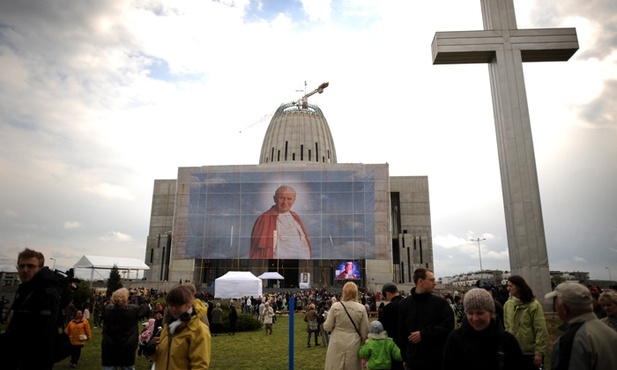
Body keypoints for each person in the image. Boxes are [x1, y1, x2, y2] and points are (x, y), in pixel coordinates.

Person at [2, 248, 64, 370]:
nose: (25, 270)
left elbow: (43, 337)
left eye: (31, 266)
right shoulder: (26, 290)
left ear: (40, 268)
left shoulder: (47, 293)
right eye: (21, 266)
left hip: (33, 362)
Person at [442, 288, 524, 370]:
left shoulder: (507, 341)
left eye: (480, 313)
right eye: (470, 313)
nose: (475, 318)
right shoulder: (455, 339)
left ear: (491, 313)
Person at [545, 282, 617, 370]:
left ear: (564, 308)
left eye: (556, 303)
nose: (555, 307)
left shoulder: (572, 340)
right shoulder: (610, 331)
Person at [398, 268, 454, 370]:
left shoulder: (440, 303)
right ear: (420, 281)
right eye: (432, 280)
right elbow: (402, 334)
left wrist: (424, 334)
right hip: (414, 361)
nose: (435, 283)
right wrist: (405, 358)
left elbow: (448, 326)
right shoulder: (405, 304)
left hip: (437, 360)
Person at [144, 284, 211, 369]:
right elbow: (164, 357)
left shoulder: (198, 330)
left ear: (189, 304)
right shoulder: (168, 327)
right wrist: (152, 351)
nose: (173, 309)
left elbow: (200, 366)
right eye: (170, 305)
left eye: (178, 305)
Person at [250, 185, 311, 259]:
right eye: (282, 198)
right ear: (274, 199)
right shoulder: (265, 218)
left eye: (289, 199)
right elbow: (258, 252)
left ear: (294, 200)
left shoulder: (295, 216)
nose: (285, 202)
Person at [503, 275, 549, 369]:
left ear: (519, 287)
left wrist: (539, 352)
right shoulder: (508, 305)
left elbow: (540, 329)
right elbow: (507, 326)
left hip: (529, 353)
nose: (508, 288)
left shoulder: (534, 305)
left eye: (511, 286)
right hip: (512, 351)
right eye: (507, 286)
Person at [323, 281, 369, 370]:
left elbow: (327, 327)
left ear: (344, 292)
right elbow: (365, 331)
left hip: (337, 341)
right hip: (354, 343)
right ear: (356, 293)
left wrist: (327, 318)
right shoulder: (361, 308)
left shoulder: (336, 306)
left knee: (335, 366)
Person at [101, 287, 150, 370]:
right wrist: (140, 296)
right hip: (127, 347)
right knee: (128, 367)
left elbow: (109, 306)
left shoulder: (107, 309)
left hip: (109, 346)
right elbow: (145, 308)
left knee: (109, 367)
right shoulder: (132, 310)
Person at [378, 282, 404, 370]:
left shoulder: (388, 308)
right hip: (409, 342)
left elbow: (381, 326)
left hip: (393, 344)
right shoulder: (408, 304)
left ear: (388, 294)